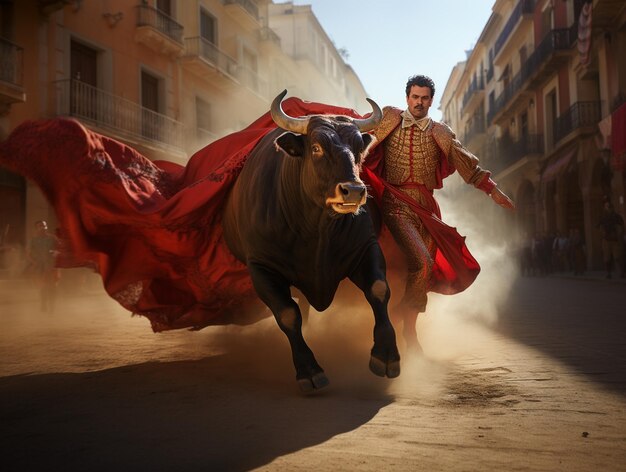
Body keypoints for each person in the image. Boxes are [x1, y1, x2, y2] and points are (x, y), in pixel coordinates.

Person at [365, 75, 515, 351]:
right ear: (407, 97)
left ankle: (408, 326)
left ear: (431, 101)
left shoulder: (442, 133)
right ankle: (403, 324)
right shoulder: (388, 118)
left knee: (425, 267)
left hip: (426, 207)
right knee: (422, 261)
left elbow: (466, 162)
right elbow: (358, 137)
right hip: (394, 201)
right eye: (414, 97)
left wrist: (492, 190)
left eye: (424, 98)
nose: (419, 102)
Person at [27, 220, 60, 312]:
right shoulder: (33, 240)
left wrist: (55, 253)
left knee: (53, 287)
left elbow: (60, 249)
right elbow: (28, 254)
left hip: (52, 266)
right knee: (43, 287)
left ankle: (52, 307)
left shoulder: (53, 238)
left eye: (44, 226)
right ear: (36, 228)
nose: (42, 228)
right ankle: (43, 305)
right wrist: (34, 262)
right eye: (40, 226)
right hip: (40, 267)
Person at [597, 201, 624, 278]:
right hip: (606, 240)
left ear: (612, 208)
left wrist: (618, 234)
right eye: (606, 206)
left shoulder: (617, 216)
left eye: (609, 207)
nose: (608, 208)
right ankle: (608, 273)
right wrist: (603, 232)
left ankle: (621, 272)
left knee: (617, 257)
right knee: (607, 258)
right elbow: (599, 227)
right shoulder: (603, 217)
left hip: (615, 240)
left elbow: (621, 226)